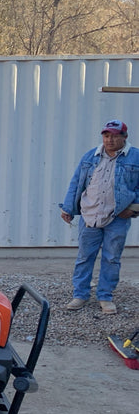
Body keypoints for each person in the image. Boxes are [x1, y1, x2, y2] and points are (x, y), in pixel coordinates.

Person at [60, 119, 139, 314]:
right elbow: (76, 182)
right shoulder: (91, 156)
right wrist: (68, 207)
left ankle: (105, 296)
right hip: (90, 214)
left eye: (114, 136)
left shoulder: (135, 157)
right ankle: (80, 295)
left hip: (117, 217)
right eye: (106, 135)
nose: (109, 140)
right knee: (84, 257)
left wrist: (134, 208)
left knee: (112, 258)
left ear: (124, 137)